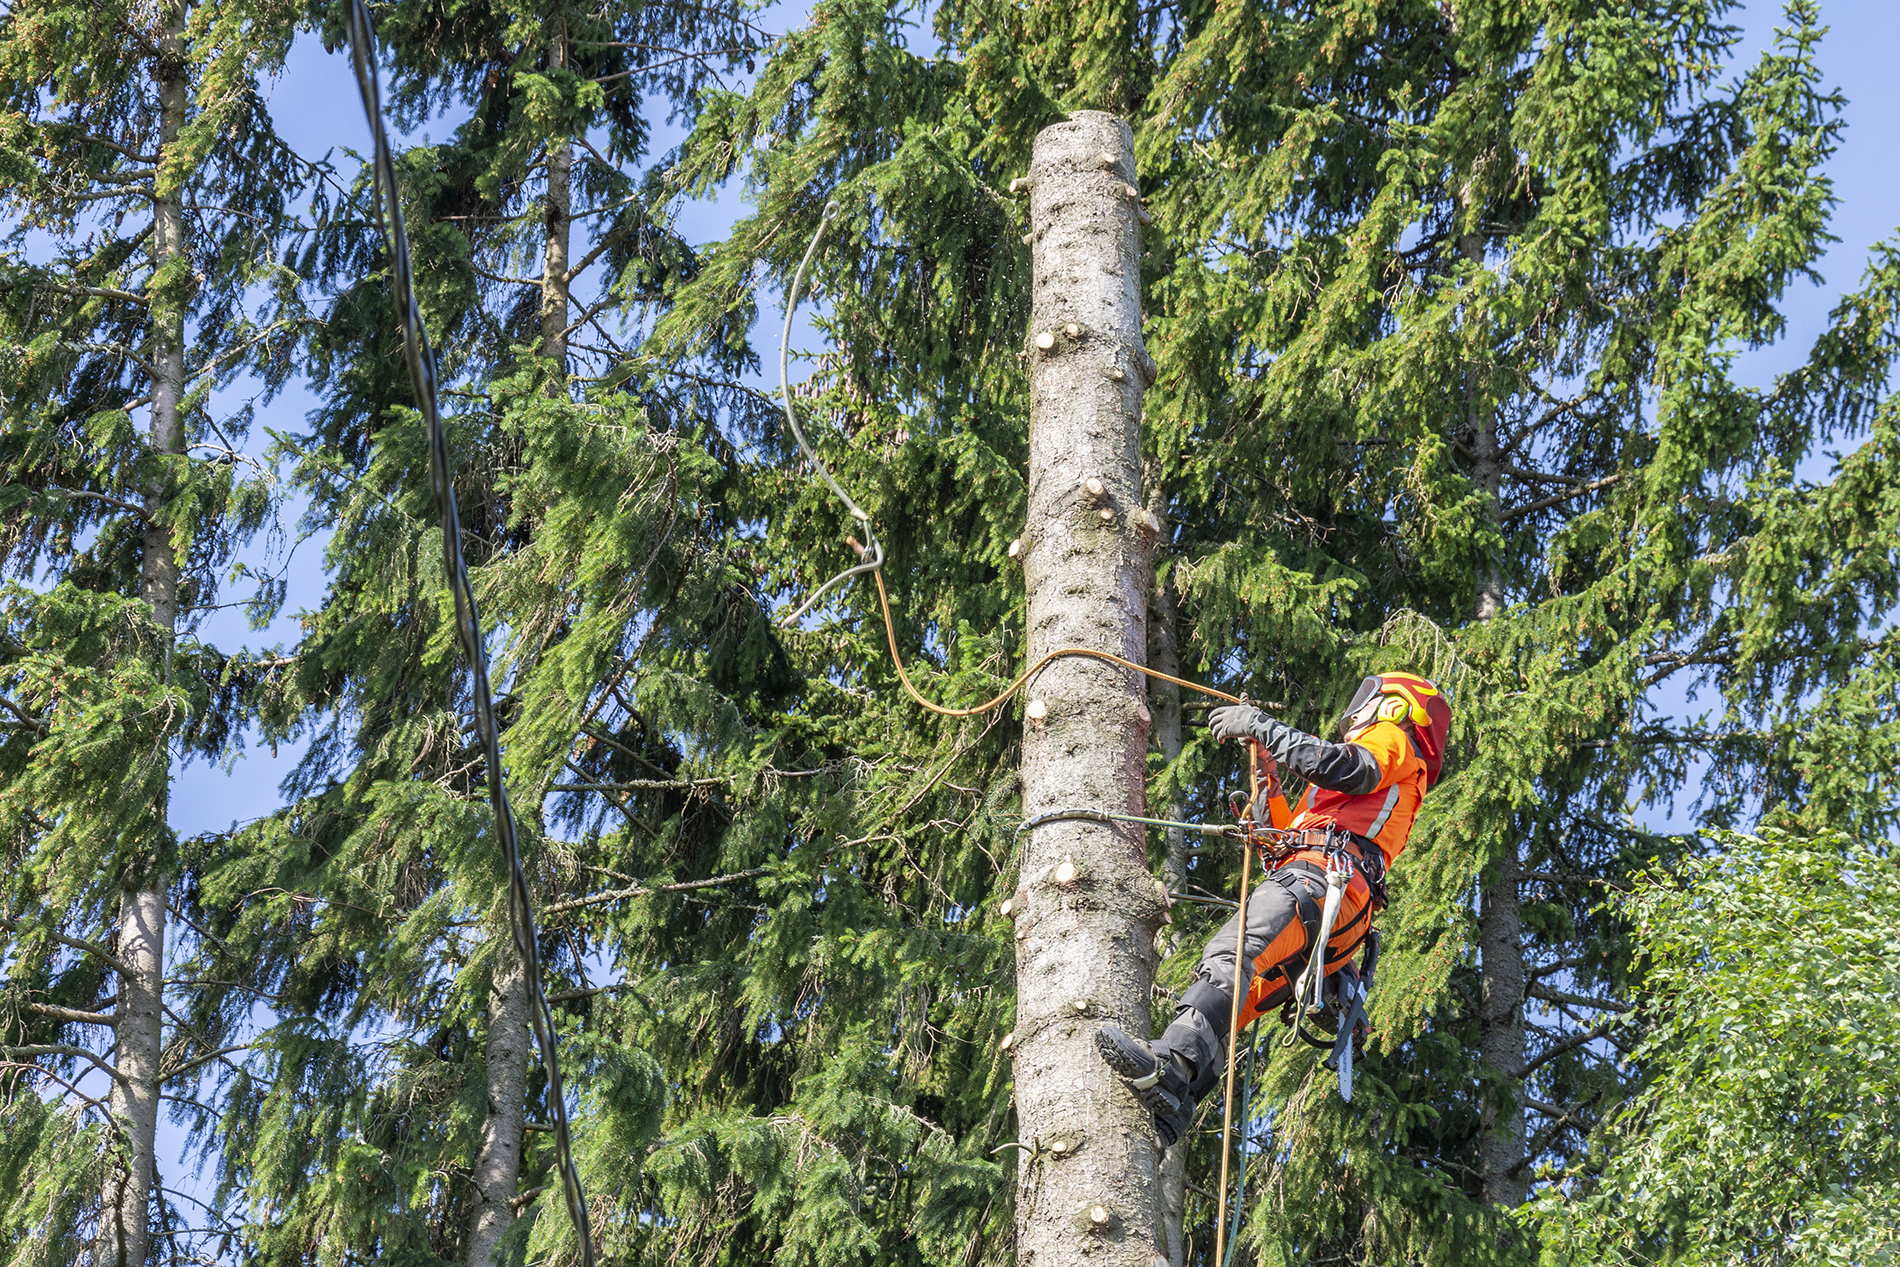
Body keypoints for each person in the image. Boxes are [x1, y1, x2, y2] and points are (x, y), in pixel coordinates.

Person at [1096, 672, 1452, 1145]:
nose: (1354, 713)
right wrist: (1266, 773)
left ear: (1394, 706)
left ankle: (1170, 1066)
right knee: (1236, 997)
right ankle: (1176, 1103)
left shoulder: (1391, 740)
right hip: (1327, 894)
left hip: (1323, 881)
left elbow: (1344, 766)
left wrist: (1262, 725)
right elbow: (1286, 838)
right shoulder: (1344, 805)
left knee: (1231, 951)